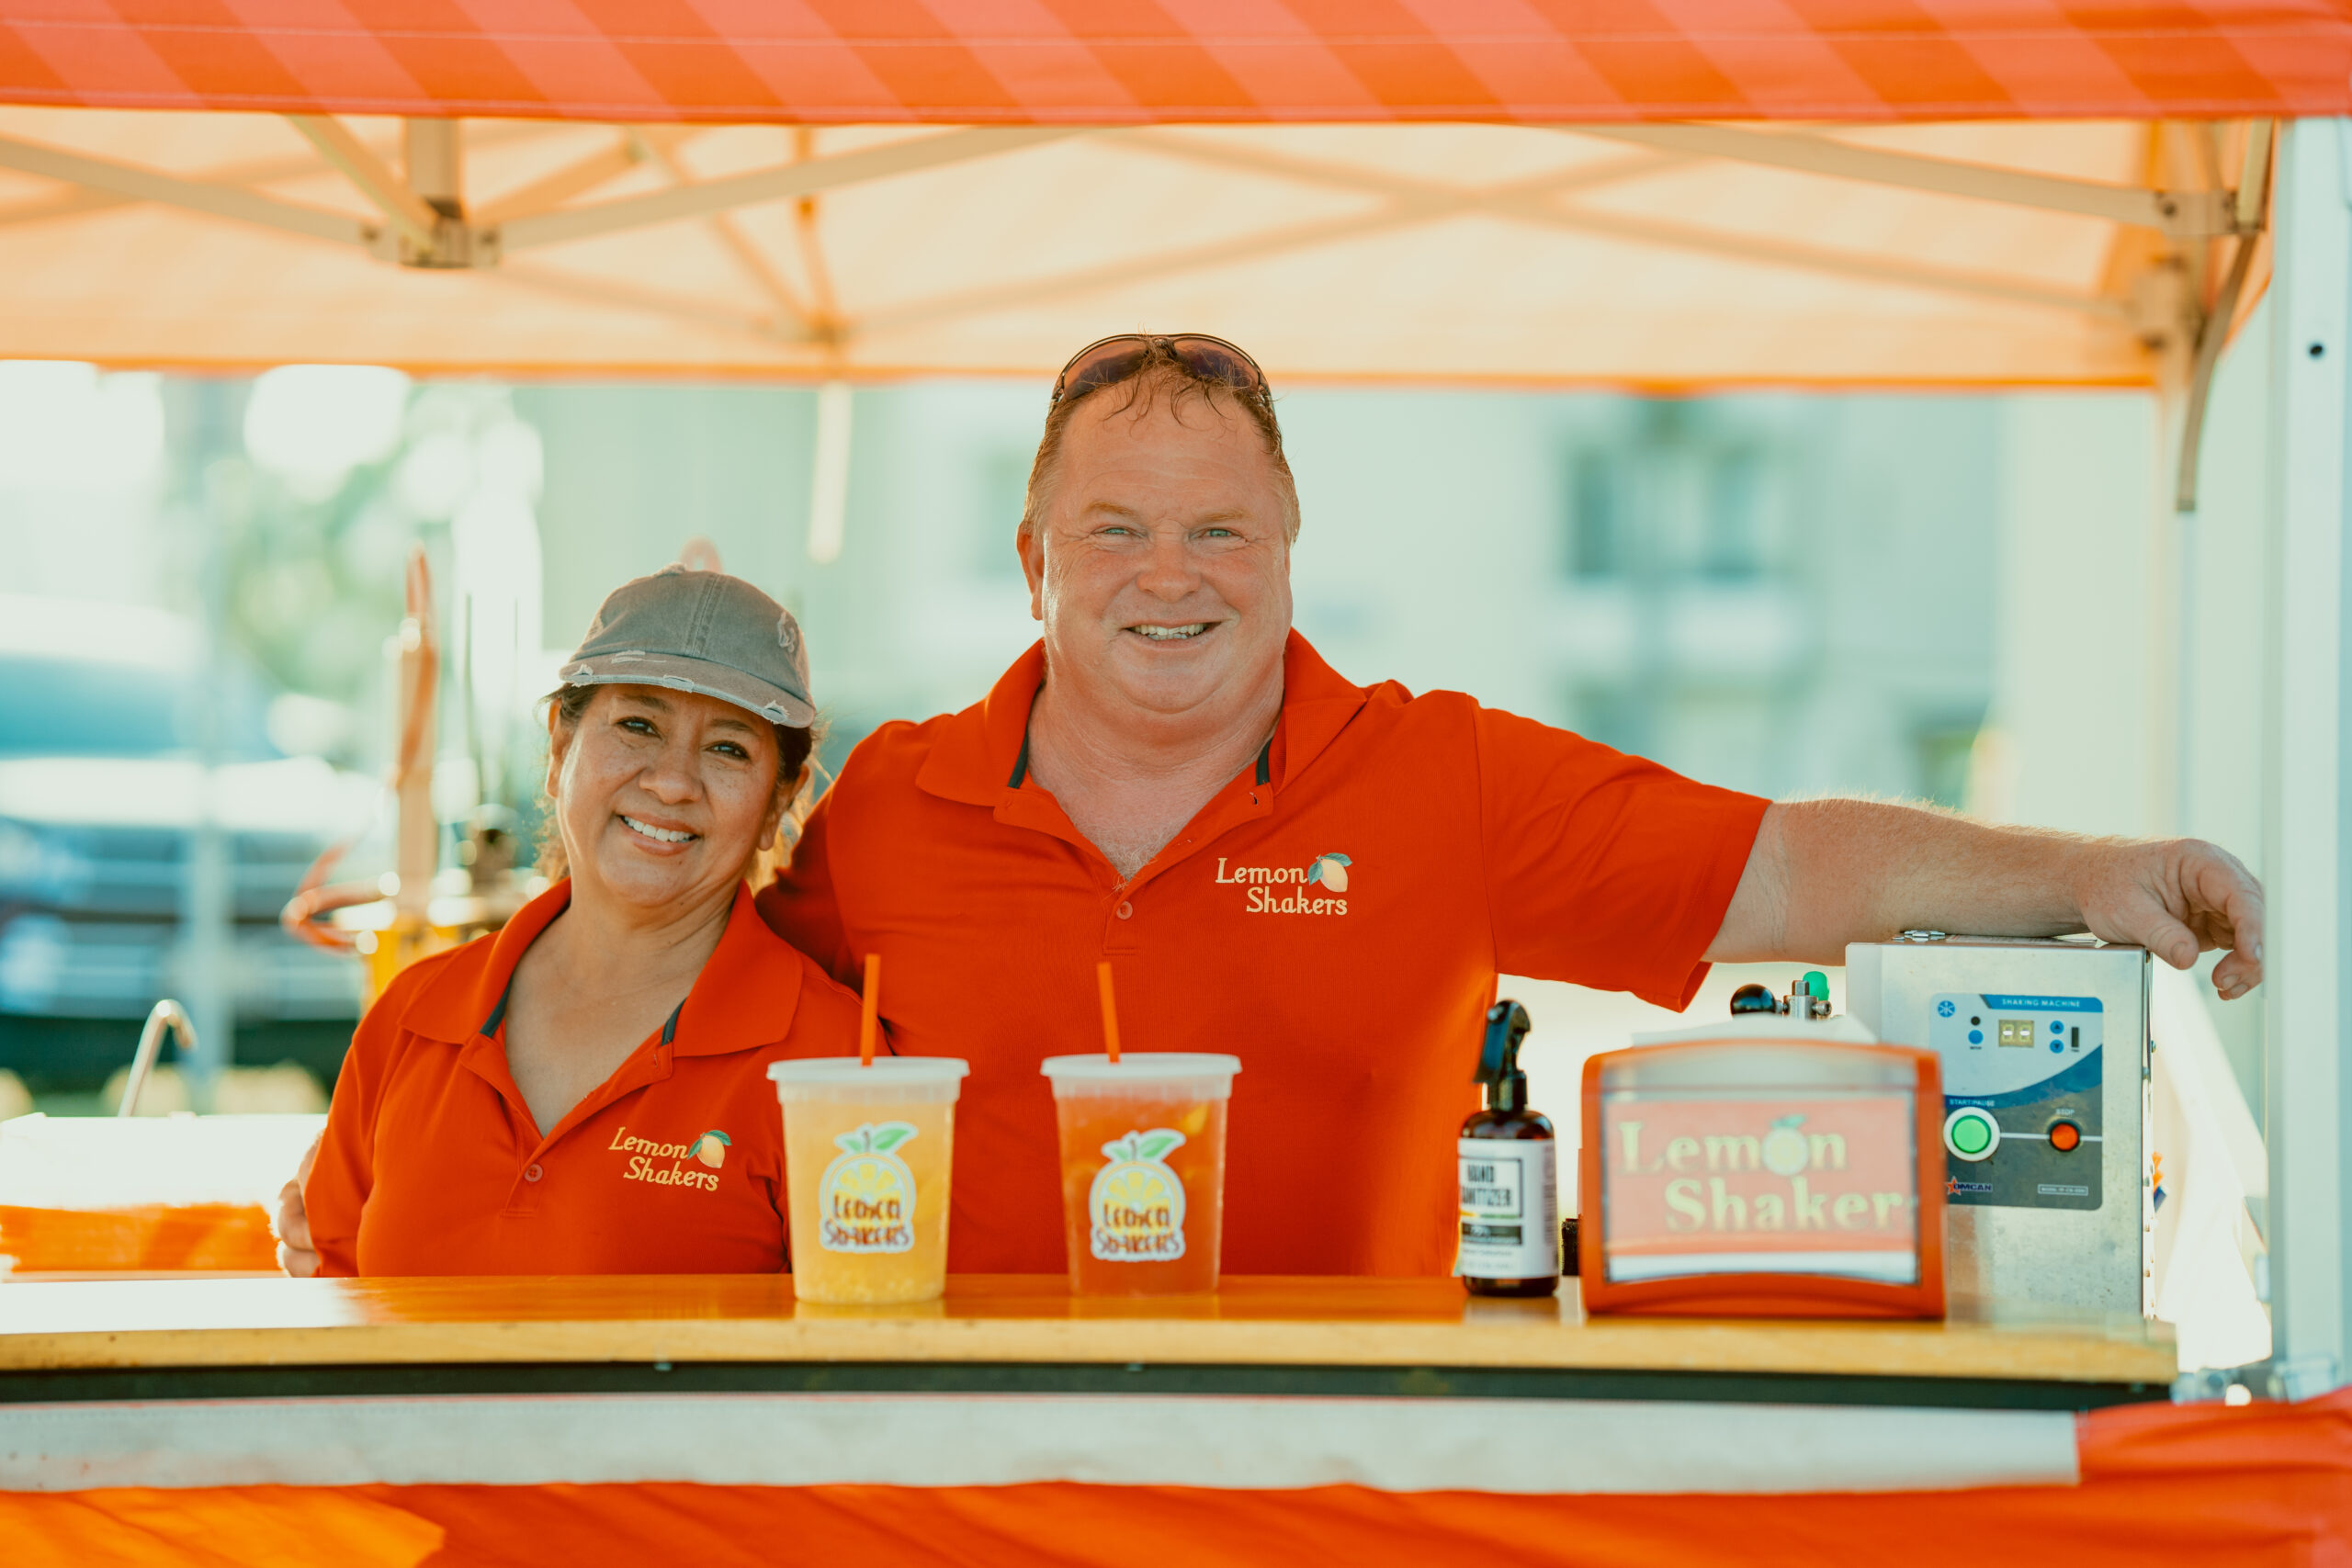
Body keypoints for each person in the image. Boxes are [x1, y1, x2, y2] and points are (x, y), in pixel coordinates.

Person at [281, 335, 2265, 1280]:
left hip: (1344, 1470)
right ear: (1034, 554)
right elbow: (666, 943)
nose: (1170, 572)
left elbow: (1779, 860)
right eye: (1115, 527)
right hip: (951, 1488)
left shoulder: (1443, 777)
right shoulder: (884, 804)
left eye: (1217, 524)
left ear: (1290, 542)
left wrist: (2093, 872)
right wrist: (409, 1086)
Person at [292, 569, 863, 1274]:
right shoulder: (411, 1016)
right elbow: (329, 1293)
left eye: (728, 747)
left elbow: (859, 1354)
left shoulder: (833, 1063)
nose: (672, 781)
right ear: (562, 748)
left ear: (782, 801)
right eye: (637, 725)